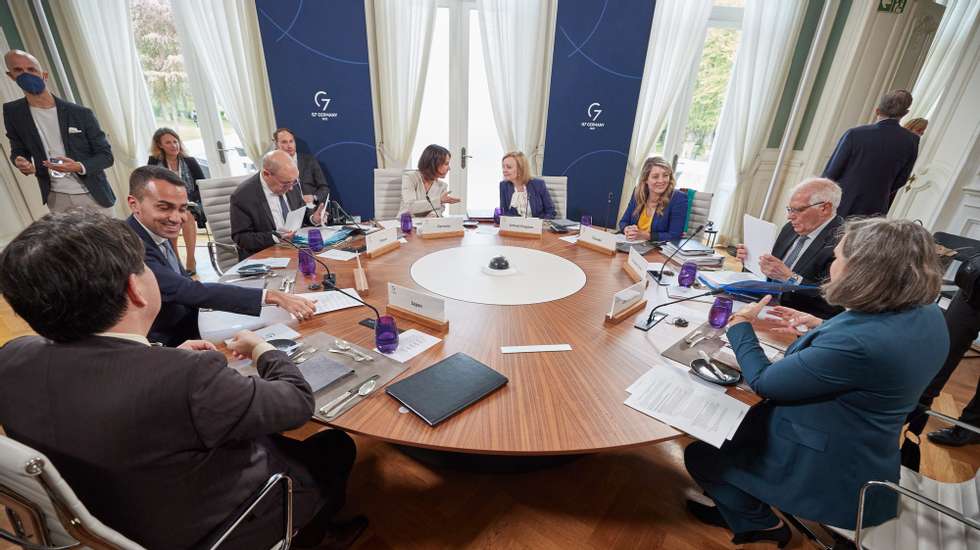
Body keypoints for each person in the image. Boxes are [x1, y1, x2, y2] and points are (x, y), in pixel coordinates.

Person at [0, 209, 365, 549]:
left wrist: (160, 357)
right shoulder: (188, 379)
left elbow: (102, 375)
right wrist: (261, 348)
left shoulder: (12, 357)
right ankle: (316, 534)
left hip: (105, 519)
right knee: (336, 446)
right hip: (216, 530)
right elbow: (298, 402)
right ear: (135, 289)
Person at [684, 218, 948, 545]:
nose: (832, 266)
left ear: (866, 271)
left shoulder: (858, 344)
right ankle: (743, 502)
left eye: (838, 258)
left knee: (700, 453)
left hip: (827, 464)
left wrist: (740, 324)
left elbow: (765, 381)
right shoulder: (928, 314)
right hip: (869, 447)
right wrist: (821, 325)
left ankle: (761, 523)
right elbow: (873, 345)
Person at [127, 165, 315, 346]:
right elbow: (183, 290)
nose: (177, 218)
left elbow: (184, 285)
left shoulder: (154, 229)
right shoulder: (130, 246)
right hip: (169, 341)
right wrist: (271, 296)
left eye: (182, 208)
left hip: (192, 320)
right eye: (164, 207)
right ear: (134, 204)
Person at [2, 49, 114, 212]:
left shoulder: (81, 113)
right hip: (55, 197)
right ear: (11, 76)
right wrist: (20, 161)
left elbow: (106, 157)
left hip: (93, 194)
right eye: (18, 70)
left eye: (31, 69)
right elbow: (18, 149)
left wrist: (76, 166)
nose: (26, 75)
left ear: (44, 75)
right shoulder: (13, 112)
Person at [735, 178, 844, 319]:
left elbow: (833, 299)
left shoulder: (843, 243)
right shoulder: (790, 229)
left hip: (799, 319)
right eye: (789, 209)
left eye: (798, 210)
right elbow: (771, 275)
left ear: (825, 208)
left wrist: (790, 278)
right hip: (765, 304)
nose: (789, 217)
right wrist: (750, 261)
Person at [822, 89, 919, 217]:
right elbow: (901, 179)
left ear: (877, 110)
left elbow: (831, 172)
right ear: (905, 113)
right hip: (876, 208)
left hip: (841, 202)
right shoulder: (912, 140)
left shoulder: (854, 134)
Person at [230, 149, 326, 260]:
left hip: (294, 249)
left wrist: (313, 218)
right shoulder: (243, 196)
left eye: (294, 182)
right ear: (266, 174)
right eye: (285, 184)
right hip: (265, 258)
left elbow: (299, 213)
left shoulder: (290, 182)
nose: (291, 188)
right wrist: (275, 237)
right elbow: (241, 238)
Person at [147, 128, 206, 274]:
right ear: (160, 145)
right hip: (164, 202)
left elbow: (202, 184)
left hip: (189, 201)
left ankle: (191, 259)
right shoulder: (154, 162)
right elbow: (149, 184)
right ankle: (176, 260)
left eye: (175, 141)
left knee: (187, 216)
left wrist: (189, 200)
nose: (174, 145)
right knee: (171, 218)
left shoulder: (190, 161)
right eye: (168, 142)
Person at [618, 156, 687, 241]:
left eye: (665, 175)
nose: (661, 181)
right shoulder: (638, 193)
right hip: (632, 245)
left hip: (657, 251)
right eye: (655, 177)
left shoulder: (678, 198)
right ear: (646, 179)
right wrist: (627, 229)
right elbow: (623, 222)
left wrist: (646, 236)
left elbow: (675, 236)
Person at [399, 144, 460, 217]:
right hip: (406, 224)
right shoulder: (410, 178)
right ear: (433, 164)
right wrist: (439, 200)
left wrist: (432, 216)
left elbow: (439, 209)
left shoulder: (442, 186)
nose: (449, 168)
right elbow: (410, 206)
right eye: (446, 164)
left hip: (429, 225)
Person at [274, 127, 330, 204]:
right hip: (290, 210)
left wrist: (314, 197)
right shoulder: (273, 165)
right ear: (277, 145)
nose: (289, 145)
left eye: (291, 141)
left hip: (313, 207)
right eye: (284, 142)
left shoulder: (309, 160)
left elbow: (324, 188)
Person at [498, 151, 555, 219]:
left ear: (520, 169)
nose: (504, 170)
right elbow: (504, 212)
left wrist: (541, 223)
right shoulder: (503, 186)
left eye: (509, 167)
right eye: (503, 167)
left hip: (536, 227)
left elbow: (550, 211)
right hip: (515, 227)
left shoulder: (538, 184)